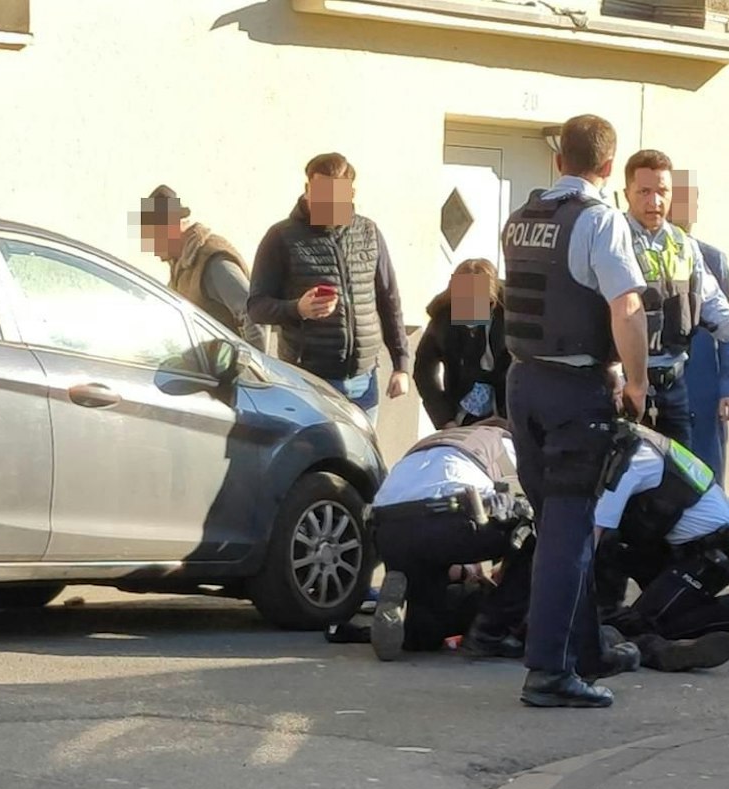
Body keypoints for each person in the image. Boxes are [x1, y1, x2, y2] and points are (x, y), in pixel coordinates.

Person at [498, 113, 653, 708]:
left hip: (523, 383)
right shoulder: (599, 221)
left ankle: (586, 650)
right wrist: (636, 381)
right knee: (568, 531)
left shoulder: (521, 218)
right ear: (609, 167)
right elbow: (628, 308)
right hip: (573, 390)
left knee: (560, 526)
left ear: (560, 158)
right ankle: (549, 672)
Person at [594, 421, 729, 666]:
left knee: (643, 623)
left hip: (716, 552)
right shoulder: (631, 438)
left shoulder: (628, 461)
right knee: (617, 560)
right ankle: (640, 622)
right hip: (680, 548)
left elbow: (592, 536)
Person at [247, 153, 412, 423]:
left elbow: (388, 298)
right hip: (308, 380)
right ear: (307, 190)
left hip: (364, 382)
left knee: (360, 462)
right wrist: (296, 308)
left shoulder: (369, 232)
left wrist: (401, 365)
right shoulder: (280, 237)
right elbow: (256, 307)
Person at [621, 149, 729, 446]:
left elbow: (711, 302)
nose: (655, 202)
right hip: (625, 385)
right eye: (644, 192)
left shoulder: (683, 245)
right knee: (622, 481)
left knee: (681, 482)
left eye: (662, 191)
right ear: (627, 193)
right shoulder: (612, 237)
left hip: (673, 387)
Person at [367, 421, 531, 662]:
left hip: (387, 528)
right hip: (450, 520)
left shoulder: (435, 441)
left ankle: (410, 626)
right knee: (538, 528)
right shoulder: (505, 442)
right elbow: (522, 503)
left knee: (426, 635)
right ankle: (491, 633)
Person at [139, 184, 264, 350]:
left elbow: (255, 313)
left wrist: (253, 368)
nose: (151, 247)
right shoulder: (180, 264)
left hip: (224, 370)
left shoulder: (213, 262)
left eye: (153, 236)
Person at [411, 259, 511, 430]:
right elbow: (424, 371)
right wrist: (445, 419)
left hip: (508, 410)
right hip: (461, 413)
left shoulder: (511, 313)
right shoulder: (443, 317)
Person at [682, 239, 729, 484]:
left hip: (702, 382)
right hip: (651, 378)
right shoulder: (626, 244)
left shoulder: (711, 258)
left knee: (705, 472)